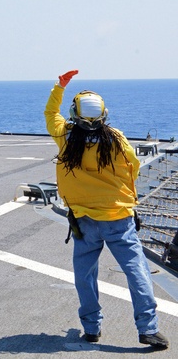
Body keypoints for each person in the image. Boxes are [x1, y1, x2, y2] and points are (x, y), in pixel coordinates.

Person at [46, 69, 168, 350]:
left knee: (85, 275)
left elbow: (51, 114)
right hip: (118, 218)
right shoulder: (116, 138)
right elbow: (133, 168)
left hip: (83, 220)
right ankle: (148, 329)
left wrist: (59, 86)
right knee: (136, 271)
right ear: (103, 114)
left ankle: (91, 328)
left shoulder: (66, 137)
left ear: (75, 114)